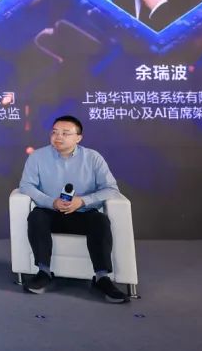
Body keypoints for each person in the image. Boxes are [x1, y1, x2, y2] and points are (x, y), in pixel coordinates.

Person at [18, 115, 129, 303]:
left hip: (82, 214)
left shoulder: (93, 158)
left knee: (100, 220)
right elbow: (26, 185)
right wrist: (51, 202)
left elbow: (111, 189)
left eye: (65, 133)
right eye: (54, 132)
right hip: (51, 213)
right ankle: (43, 272)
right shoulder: (37, 157)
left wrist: (83, 201)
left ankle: (102, 278)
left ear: (78, 138)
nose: (58, 137)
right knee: (36, 216)